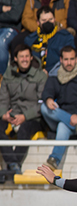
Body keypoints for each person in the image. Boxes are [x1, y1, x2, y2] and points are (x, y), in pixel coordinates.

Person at [40, 44, 77, 170]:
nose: (69, 63)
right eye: (66, 59)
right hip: (60, 116)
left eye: (72, 59)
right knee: (44, 107)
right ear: (61, 60)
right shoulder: (55, 76)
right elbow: (47, 91)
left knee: (63, 125)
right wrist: (48, 98)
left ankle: (54, 159)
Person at [0, 43, 46, 174]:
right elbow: (3, 99)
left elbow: (41, 103)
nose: (25, 59)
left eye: (27, 56)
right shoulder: (8, 75)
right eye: (21, 57)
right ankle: (13, 163)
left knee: (25, 129)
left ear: (31, 58)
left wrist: (25, 116)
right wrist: (4, 114)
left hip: (34, 117)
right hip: (12, 114)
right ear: (15, 59)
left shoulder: (41, 76)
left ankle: (13, 165)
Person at [0, 0, 29, 76]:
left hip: (11, 28)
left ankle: (2, 76)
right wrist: (2, 8)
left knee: (1, 43)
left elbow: (15, 15)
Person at [26, 6, 74, 72]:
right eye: (44, 20)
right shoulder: (30, 39)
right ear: (38, 22)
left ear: (55, 19)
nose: (48, 22)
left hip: (58, 73)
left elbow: (70, 59)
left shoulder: (65, 37)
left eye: (50, 19)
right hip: (36, 74)